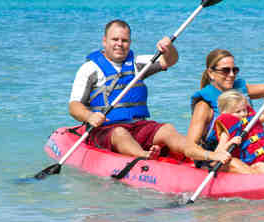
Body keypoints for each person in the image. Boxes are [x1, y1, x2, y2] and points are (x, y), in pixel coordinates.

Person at [69, 20, 232, 164]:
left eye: (124, 40)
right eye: (115, 39)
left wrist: (169, 48)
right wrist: (89, 116)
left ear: (130, 42)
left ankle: (203, 155)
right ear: (104, 41)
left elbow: (170, 60)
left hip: (139, 125)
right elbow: (74, 106)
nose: (120, 44)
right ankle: (144, 156)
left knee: (167, 129)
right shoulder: (89, 69)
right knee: (120, 133)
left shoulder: (138, 64)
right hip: (106, 129)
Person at [187, 48, 264, 173]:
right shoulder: (203, 106)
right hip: (220, 157)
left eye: (234, 70)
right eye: (225, 70)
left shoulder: (239, 91)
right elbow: (189, 149)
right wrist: (213, 156)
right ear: (211, 73)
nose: (231, 75)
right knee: (237, 164)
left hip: (248, 152)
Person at [211, 89, 264, 174]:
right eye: (238, 112)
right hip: (252, 165)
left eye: (244, 110)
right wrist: (230, 143)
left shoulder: (250, 119)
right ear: (225, 113)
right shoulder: (227, 130)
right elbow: (217, 153)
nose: (243, 114)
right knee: (263, 168)